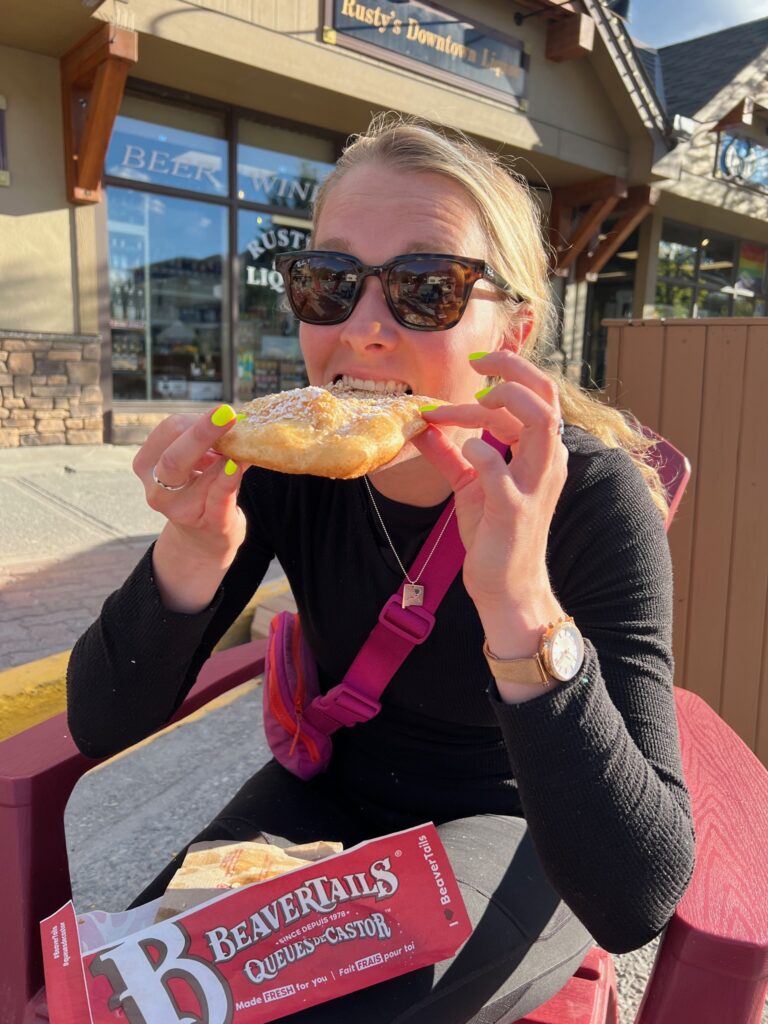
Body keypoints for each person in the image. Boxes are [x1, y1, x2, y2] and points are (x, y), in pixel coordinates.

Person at [67, 114, 695, 1023]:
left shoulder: (592, 499)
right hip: (326, 791)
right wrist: (189, 556)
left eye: (426, 288)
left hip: (524, 825)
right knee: (147, 992)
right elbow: (101, 722)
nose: (362, 330)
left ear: (512, 331)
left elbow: (637, 893)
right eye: (327, 283)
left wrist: (519, 600)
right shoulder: (288, 469)